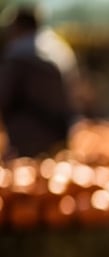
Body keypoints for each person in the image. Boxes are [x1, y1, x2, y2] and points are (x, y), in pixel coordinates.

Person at [0, 5, 79, 159]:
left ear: (18, 27)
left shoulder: (17, 54)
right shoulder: (59, 49)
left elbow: (4, 96)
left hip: (27, 136)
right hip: (61, 132)